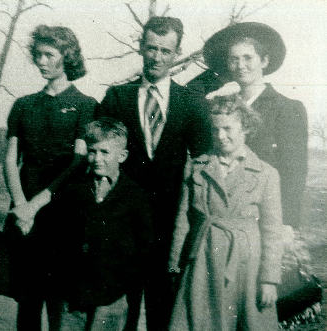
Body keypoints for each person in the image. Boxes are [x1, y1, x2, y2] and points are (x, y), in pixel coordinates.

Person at [95, 16, 211, 330]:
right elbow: (99, 160)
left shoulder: (191, 103)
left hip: (169, 221)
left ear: (177, 53)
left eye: (165, 50)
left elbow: (205, 163)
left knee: (162, 303)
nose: (156, 57)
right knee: (119, 307)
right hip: (122, 220)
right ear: (140, 47)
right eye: (151, 48)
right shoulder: (117, 98)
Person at [2, 24, 96, 330]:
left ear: (66, 57)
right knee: (27, 302)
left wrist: (36, 205)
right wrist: (21, 206)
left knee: (60, 304)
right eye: (37, 54)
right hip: (23, 215)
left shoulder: (86, 106)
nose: (41, 61)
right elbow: (10, 159)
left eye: (49, 54)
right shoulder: (23, 105)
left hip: (62, 216)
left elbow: (78, 162)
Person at [169, 94, 284, 330]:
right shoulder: (196, 168)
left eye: (228, 128)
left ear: (245, 128)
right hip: (203, 259)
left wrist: (269, 279)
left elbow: (272, 231)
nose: (221, 136)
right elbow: (183, 221)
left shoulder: (266, 173)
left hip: (246, 266)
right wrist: (174, 264)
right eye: (215, 129)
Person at [45, 118, 153, 330]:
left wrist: (124, 281)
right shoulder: (73, 191)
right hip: (73, 294)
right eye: (92, 151)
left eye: (105, 152)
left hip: (111, 296)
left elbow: (144, 246)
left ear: (122, 156)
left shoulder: (135, 196)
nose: (96, 158)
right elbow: (58, 238)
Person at [201, 22, 308, 228]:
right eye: (234, 59)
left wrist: (287, 224)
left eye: (248, 58)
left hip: (267, 217)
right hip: (228, 216)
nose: (241, 65)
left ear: (264, 61)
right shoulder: (223, 108)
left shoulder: (287, 109)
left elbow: (294, 172)